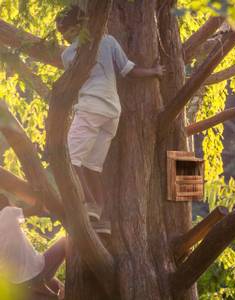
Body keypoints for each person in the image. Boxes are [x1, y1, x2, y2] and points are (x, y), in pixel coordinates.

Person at [55, 5, 165, 234]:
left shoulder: (68, 55)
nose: (62, 36)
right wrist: (154, 71)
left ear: (75, 27)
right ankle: (100, 217)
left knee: (70, 160)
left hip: (90, 108)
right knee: (92, 167)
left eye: (62, 31)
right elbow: (129, 70)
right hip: (112, 113)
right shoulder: (108, 41)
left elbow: (74, 86)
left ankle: (86, 206)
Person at [0, 194, 66, 299]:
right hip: (38, 270)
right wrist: (40, 193)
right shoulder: (8, 212)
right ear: (5, 204)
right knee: (65, 241)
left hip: (18, 285)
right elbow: (36, 209)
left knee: (54, 289)